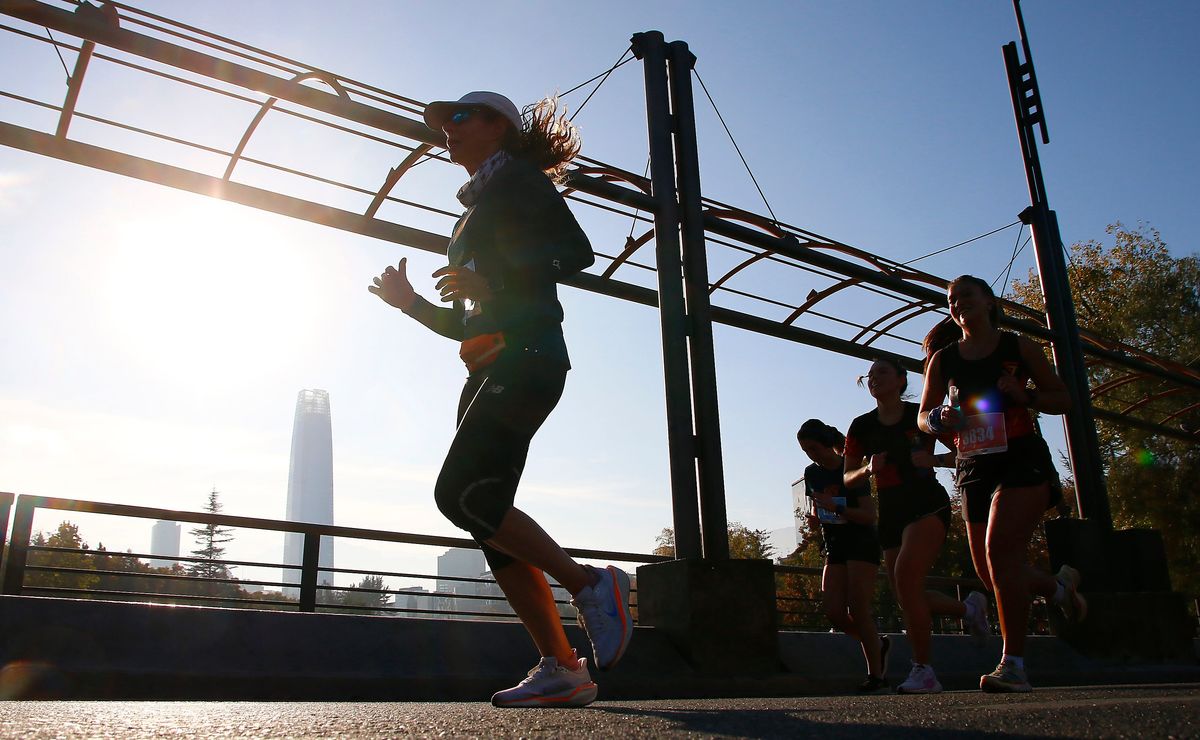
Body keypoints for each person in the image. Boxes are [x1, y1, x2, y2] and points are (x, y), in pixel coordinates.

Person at [369, 91, 632, 708]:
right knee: (486, 518)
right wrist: (411, 304)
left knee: (458, 495)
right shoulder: (472, 211)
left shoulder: (520, 180)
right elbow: (469, 320)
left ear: (498, 126)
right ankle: (562, 667)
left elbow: (577, 252)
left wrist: (499, 278)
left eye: (459, 117)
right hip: (487, 366)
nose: (447, 128)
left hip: (528, 357)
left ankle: (590, 584)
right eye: (443, 121)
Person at [919, 274, 1086, 693]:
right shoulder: (943, 360)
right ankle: (1057, 587)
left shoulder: (1018, 347)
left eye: (966, 296)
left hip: (1020, 458)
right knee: (990, 570)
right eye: (952, 300)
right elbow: (923, 416)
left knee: (999, 552)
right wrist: (939, 419)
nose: (958, 304)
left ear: (989, 302)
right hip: (973, 464)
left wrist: (1024, 395)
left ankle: (1013, 665)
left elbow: (1062, 398)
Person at [843, 357, 991, 694]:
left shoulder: (921, 417)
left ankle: (924, 670)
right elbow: (848, 477)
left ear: (901, 379)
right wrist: (867, 470)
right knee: (905, 595)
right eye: (869, 375)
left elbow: (967, 450)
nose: (873, 378)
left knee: (906, 578)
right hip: (890, 510)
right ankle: (968, 608)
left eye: (882, 372)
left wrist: (934, 459)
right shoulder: (861, 426)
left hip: (926, 503)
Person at [797, 419, 888, 693]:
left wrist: (837, 508)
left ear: (826, 443)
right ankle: (877, 644)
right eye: (805, 451)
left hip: (861, 542)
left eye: (813, 448)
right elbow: (819, 507)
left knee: (858, 608)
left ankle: (876, 675)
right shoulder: (812, 473)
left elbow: (869, 515)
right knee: (833, 610)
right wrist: (815, 520)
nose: (811, 455)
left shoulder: (850, 469)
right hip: (834, 544)